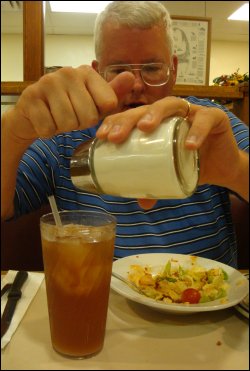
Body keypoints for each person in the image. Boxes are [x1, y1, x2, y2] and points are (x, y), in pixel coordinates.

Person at [1, 1, 249, 267]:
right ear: (98, 72)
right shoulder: (65, 139)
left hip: (210, 301)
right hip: (98, 300)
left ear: (173, 70)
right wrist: (13, 130)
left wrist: (235, 170)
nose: (136, 85)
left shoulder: (206, 125)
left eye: (153, 68)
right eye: (119, 70)